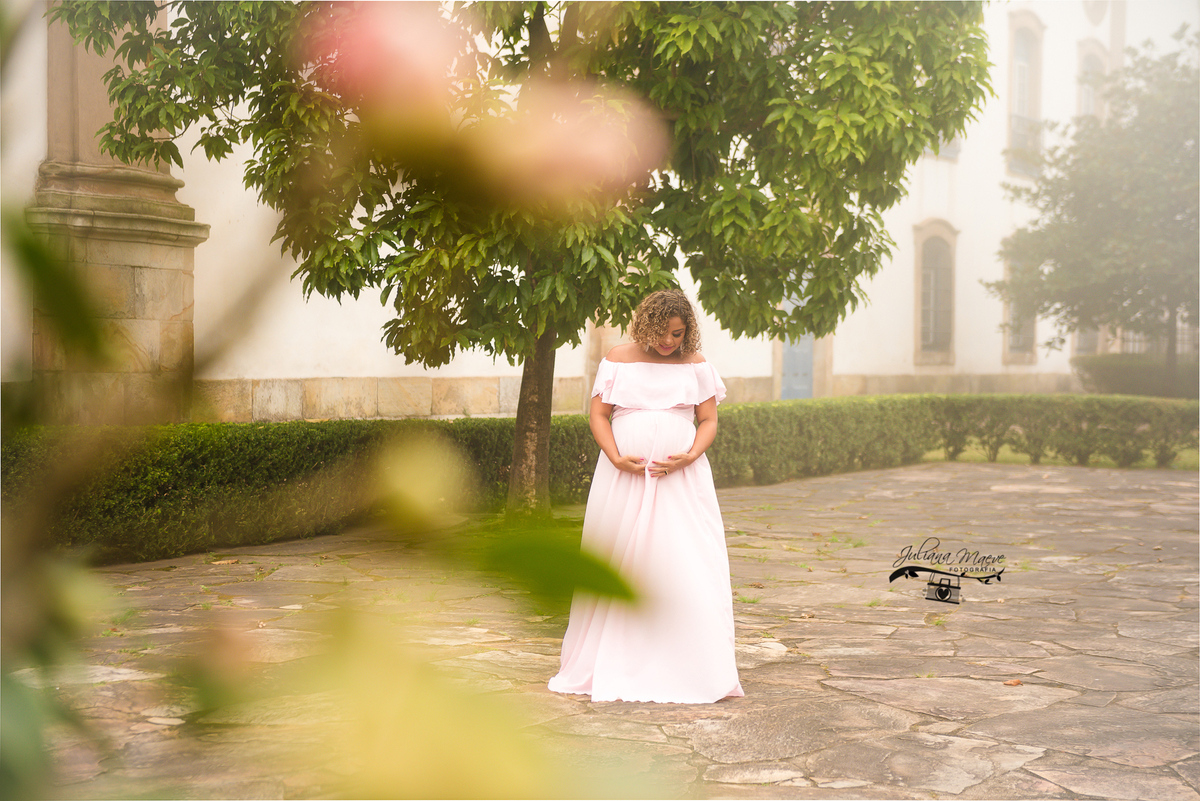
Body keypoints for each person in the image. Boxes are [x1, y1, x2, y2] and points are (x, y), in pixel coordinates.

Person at [548, 289, 744, 704]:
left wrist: (690, 455)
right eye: (661, 332)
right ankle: (614, 656)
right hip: (623, 478)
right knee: (620, 557)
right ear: (645, 325)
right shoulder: (617, 359)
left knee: (684, 558)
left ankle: (689, 663)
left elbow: (708, 420)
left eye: (678, 333)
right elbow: (599, 415)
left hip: (681, 479)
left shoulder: (697, 365)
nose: (669, 341)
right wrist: (615, 456)